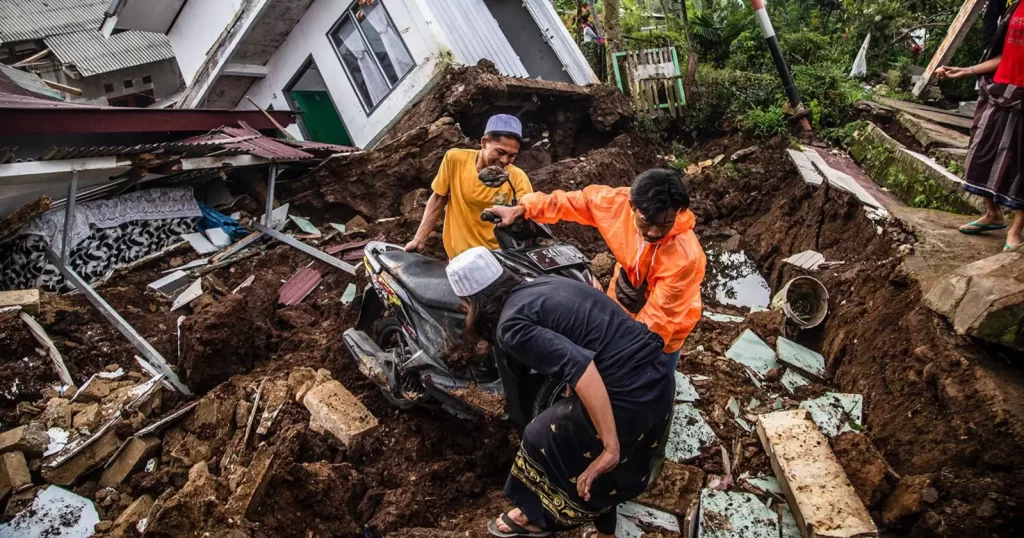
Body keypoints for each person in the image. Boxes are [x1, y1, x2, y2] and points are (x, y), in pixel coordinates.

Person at [445, 247, 674, 538]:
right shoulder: (542, 284)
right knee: (585, 444)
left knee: (539, 435)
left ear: (472, 303)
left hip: (629, 394)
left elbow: (582, 367)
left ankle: (534, 516)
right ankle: (606, 532)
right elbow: (585, 342)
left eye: (464, 305)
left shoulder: (510, 327)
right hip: (658, 377)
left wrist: (610, 447)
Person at [485, 168, 705, 362]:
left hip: (666, 329)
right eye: (646, 221)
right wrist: (524, 208)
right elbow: (577, 201)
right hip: (623, 298)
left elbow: (658, 323)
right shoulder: (616, 204)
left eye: (665, 223)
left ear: (678, 213)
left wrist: (623, 356)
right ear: (632, 206)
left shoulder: (685, 258)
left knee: (651, 377)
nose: (654, 233)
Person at [937, 0, 1023, 251]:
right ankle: (993, 214)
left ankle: (1016, 231)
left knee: (1021, 166)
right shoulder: (1015, 8)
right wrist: (966, 70)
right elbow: (1005, 55)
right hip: (1000, 92)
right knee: (979, 151)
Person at [405, 114, 533, 258]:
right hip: (459, 258)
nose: (505, 160)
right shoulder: (455, 160)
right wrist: (419, 239)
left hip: (497, 259)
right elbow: (438, 199)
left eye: (512, 156)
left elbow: (527, 210)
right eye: (500, 152)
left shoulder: (516, 177)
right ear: (484, 142)